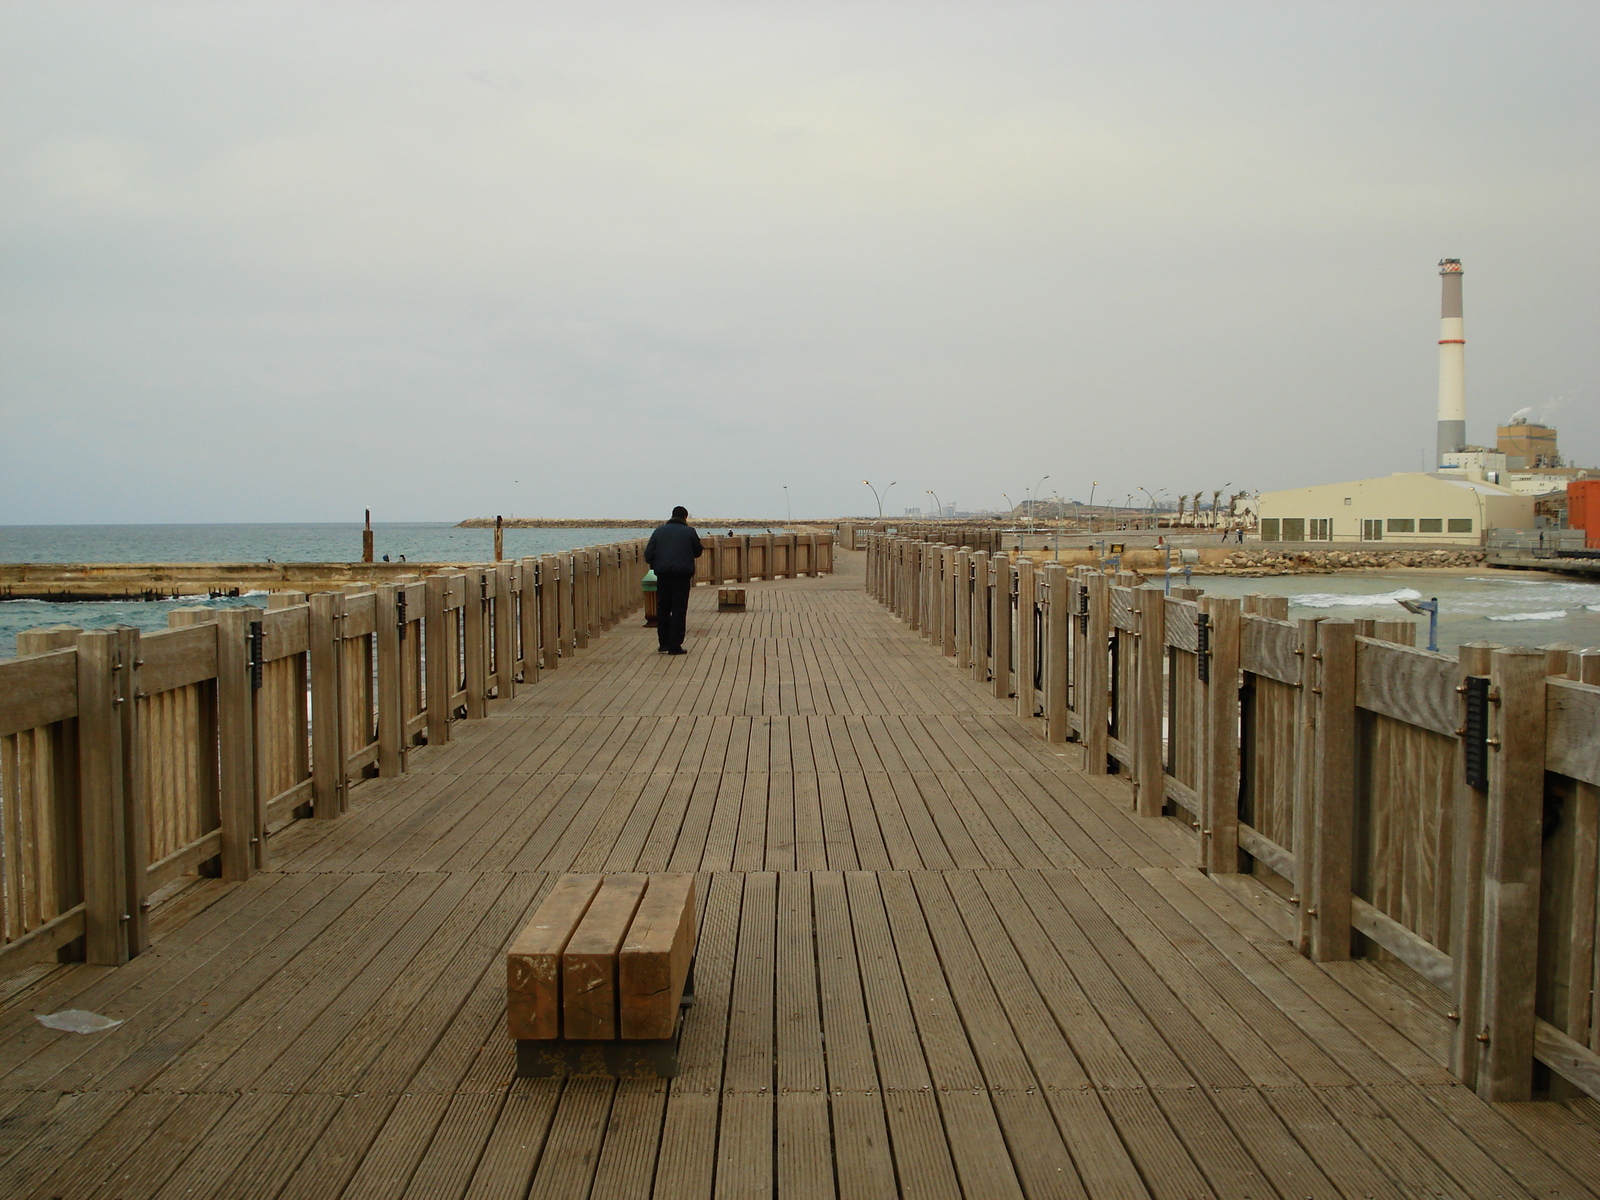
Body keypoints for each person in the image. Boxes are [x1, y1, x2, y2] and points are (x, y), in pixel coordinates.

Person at [645, 505, 702, 654]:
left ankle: (663, 643)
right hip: (682, 576)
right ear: (685, 517)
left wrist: (655, 565)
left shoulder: (659, 531)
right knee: (678, 609)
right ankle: (675, 645)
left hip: (663, 575)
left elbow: (648, 553)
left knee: (663, 608)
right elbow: (698, 551)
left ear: (671, 516)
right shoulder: (689, 532)